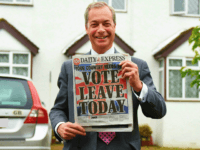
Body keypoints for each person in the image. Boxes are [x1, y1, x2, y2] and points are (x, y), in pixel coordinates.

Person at [49, 2, 166, 150]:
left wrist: (138, 86)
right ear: (87, 28)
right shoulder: (70, 68)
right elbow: (58, 109)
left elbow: (159, 111)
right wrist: (60, 126)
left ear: (114, 26)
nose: (101, 30)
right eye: (94, 24)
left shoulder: (137, 67)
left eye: (106, 23)